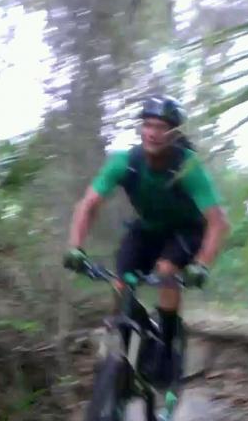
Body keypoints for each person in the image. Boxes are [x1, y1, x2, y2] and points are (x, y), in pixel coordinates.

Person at [63, 94, 230, 385]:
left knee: (166, 271)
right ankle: (117, 364)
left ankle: (166, 344)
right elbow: (87, 205)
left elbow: (218, 222)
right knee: (121, 282)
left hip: (186, 231)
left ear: (174, 133)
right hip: (147, 229)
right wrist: (74, 247)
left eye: (161, 127)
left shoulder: (187, 166)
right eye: (148, 125)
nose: (153, 133)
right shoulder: (125, 163)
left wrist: (202, 264)